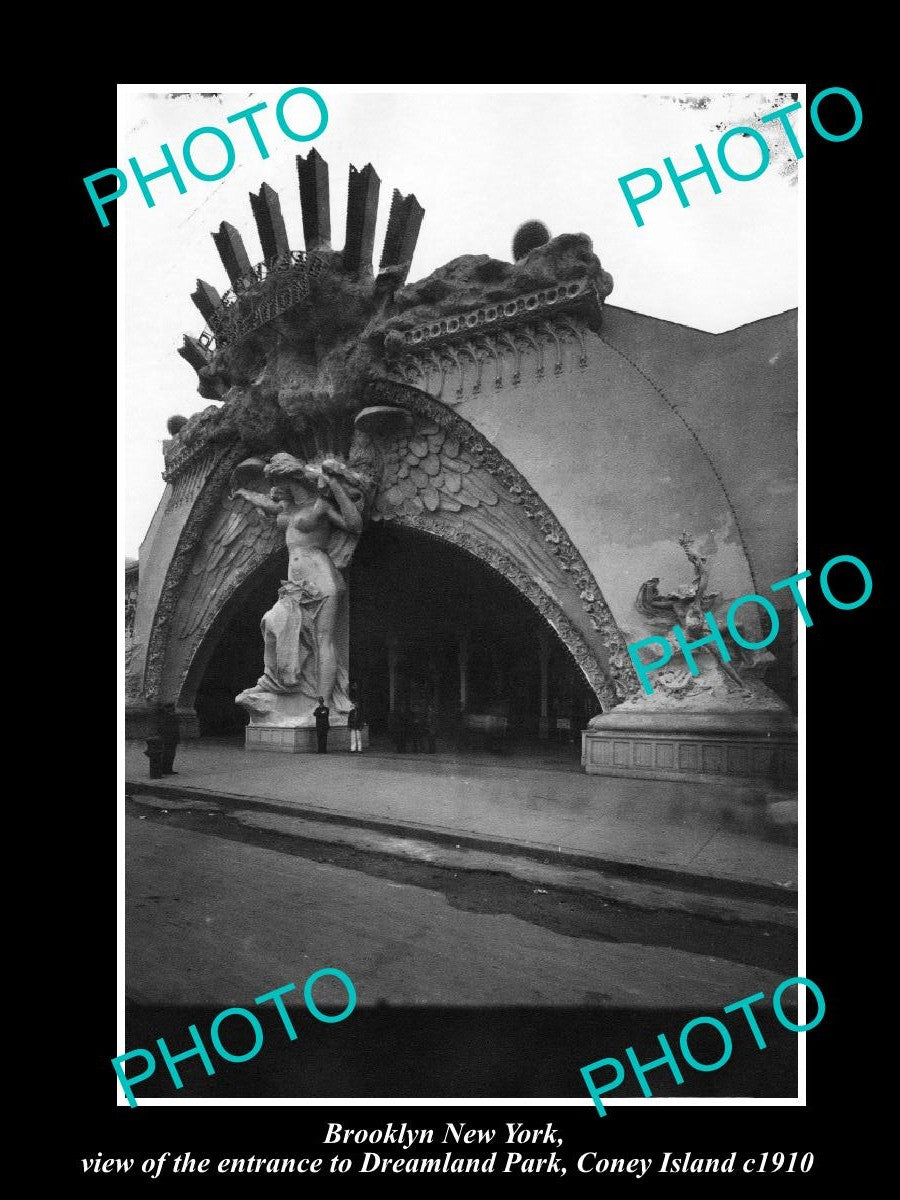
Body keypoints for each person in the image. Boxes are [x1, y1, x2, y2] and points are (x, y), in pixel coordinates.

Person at [158, 702, 180, 775]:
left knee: (171, 754)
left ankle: (169, 769)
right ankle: (165, 769)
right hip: (168, 738)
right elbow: (164, 727)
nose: (174, 708)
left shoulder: (171, 715)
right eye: (173, 707)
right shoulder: (165, 716)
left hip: (173, 738)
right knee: (167, 754)